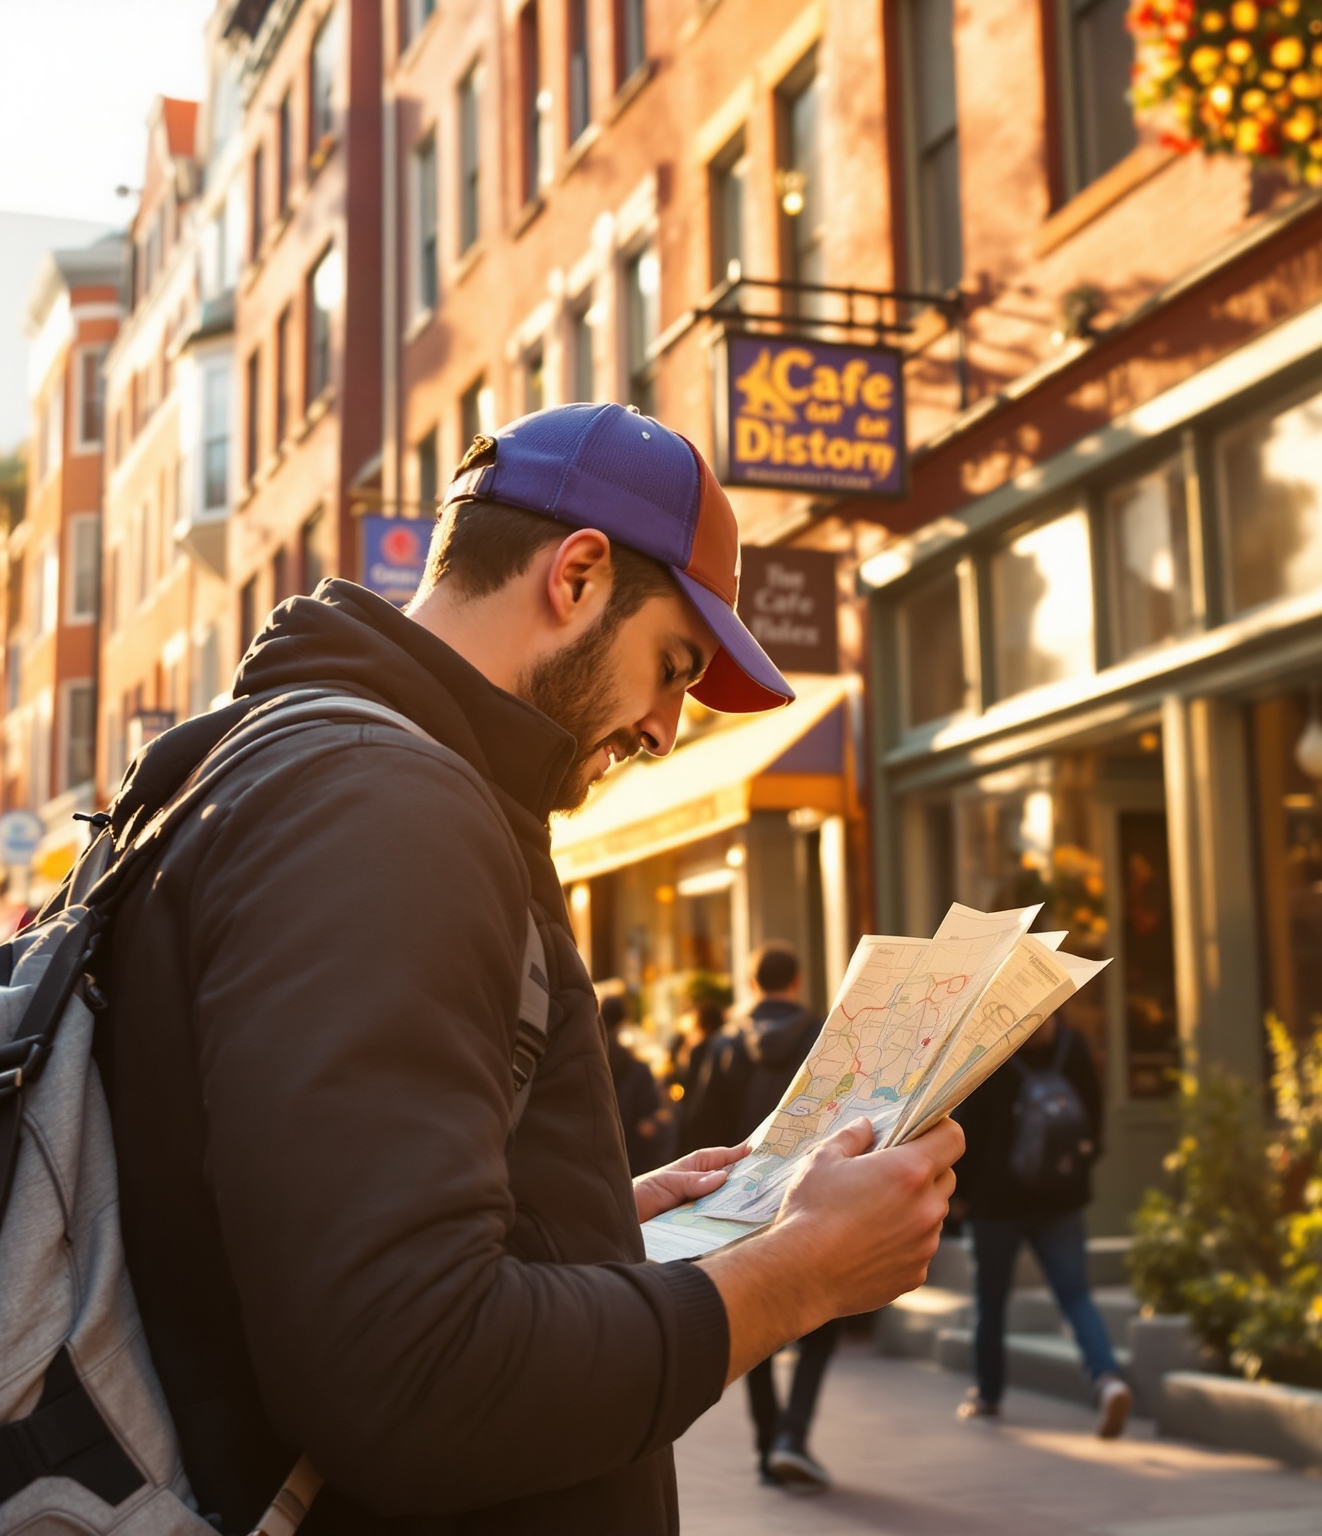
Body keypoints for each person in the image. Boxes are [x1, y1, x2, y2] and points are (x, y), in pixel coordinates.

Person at [94, 403, 960, 1534]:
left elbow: (283, 1239)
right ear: (579, 574)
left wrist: (597, 1225)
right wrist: (799, 1276)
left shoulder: (304, 766)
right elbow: (408, 1378)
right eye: (673, 665)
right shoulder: (381, 812)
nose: (664, 728)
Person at [951, 1012, 1134, 1439]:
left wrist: (961, 1196)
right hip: (1060, 1197)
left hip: (997, 1203)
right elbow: (1093, 1118)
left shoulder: (991, 1052)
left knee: (990, 1302)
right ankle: (1107, 1380)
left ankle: (989, 1394)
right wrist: (1076, 1168)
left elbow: (968, 1129)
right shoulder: (1073, 1045)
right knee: (1075, 1295)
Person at [717, 944, 848, 1491]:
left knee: (755, 1315)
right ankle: (792, 1435)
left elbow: (701, 1124)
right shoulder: (825, 1036)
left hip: (740, 1200)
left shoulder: (725, 1045)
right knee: (824, 1317)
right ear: (795, 981)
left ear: (753, 982)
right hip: (811, 1192)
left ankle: (768, 1442)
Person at [596, 980, 674, 1173]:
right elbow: (650, 1118)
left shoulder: (588, 1057)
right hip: (633, 1159)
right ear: (625, 1019)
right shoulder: (635, 1066)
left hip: (598, 1152)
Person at [668, 971, 743, 1154]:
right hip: (732, 1130)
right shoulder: (732, 1045)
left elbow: (695, 1101)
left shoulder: (698, 1050)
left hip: (704, 1134)